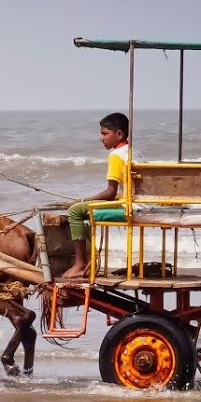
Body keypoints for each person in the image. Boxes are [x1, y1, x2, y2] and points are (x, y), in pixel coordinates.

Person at [63, 112, 132, 279]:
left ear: (119, 134)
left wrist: (84, 200)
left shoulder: (116, 155)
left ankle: (80, 264)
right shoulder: (133, 151)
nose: (101, 138)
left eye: (104, 133)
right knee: (82, 209)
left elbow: (110, 193)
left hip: (129, 209)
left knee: (75, 211)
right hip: (139, 203)